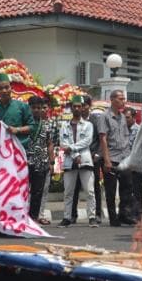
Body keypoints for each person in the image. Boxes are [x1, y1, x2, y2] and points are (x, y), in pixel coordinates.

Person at [0, 73, 35, 236]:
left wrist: (17, 130)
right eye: (1, 88)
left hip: (18, 156)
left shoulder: (22, 107)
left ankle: (18, 223)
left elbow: (32, 126)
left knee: (18, 189)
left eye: (7, 87)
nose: (4, 90)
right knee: (0, 191)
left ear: (11, 88)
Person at [57, 95, 99, 228]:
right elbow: (63, 143)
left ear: (82, 108)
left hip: (85, 159)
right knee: (68, 192)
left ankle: (92, 217)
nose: (76, 108)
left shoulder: (88, 125)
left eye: (79, 106)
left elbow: (87, 141)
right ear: (71, 108)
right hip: (70, 160)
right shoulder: (64, 125)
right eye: (74, 106)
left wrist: (72, 149)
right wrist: (75, 155)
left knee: (89, 190)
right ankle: (67, 217)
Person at [97, 90, 136, 226]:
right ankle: (113, 217)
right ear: (112, 99)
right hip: (111, 157)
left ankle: (124, 214)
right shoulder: (104, 117)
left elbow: (126, 137)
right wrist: (106, 160)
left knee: (127, 188)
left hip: (124, 157)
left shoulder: (123, 117)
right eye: (120, 98)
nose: (123, 101)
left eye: (124, 98)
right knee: (111, 189)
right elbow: (103, 139)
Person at [70, 95, 104, 223]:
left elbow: (102, 138)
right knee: (75, 187)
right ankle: (72, 215)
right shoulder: (73, 121)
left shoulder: (96, 120)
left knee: (94, 187)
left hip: (92, 158)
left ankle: (97, 214)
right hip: (76, 157)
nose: (82, 108)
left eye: (84, 105)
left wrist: (97, 154)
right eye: (79, 105)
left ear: (89, 106)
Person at [26, 95, 55, 224]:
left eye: (39, 108)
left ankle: (33, 219)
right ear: (29, 108)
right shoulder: (24, 124)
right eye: (34, 108)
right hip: (25, 162)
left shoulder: (46, 125)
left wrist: (51, 161)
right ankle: (22, 218)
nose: (37, 110)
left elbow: (49, 143)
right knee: (23, 192)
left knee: (37, 192)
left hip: (41, 162)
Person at [124, 107, 142, 222]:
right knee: (128, 190)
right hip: (126, 163)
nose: (125, 120)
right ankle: (128, 214)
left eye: (127, 118)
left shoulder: (138, 130)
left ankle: (138, 215)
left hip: (137, 163)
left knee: (137, 190)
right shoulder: (122, 130)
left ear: (133, 117)